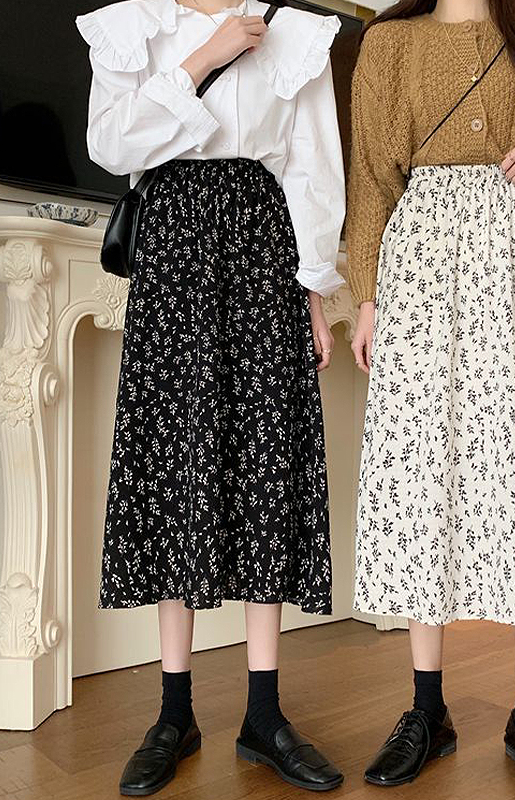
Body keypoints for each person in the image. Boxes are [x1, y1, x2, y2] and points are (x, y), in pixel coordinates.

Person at [345, 0, 515, 796]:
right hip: (417, 261)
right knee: (417, 474)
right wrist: (367, 299)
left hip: (510, 259)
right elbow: (371, 178)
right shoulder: (388, 43)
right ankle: (426, 710)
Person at [75, 0, 346, 794]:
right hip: (171, 248)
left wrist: (313, 292)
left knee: (265, 466)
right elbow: (110, 144)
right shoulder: (129, 26)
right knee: (175, 464)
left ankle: (264, 715)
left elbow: (312, 166)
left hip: (263, 247)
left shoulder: (294, 31)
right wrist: (204, 57)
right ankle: (174, 714)